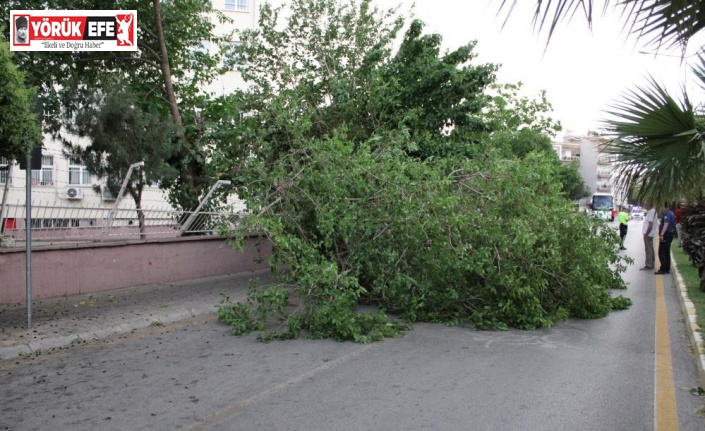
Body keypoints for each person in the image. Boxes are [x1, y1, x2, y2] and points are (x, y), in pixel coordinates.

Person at [655, 202, 676, 275]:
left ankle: (663, 268)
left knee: (662, 252)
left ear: (665, 206)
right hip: (669, 234)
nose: (661, 208)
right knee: (666, 252)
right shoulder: (671, 213)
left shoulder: (667, 214)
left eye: (662, 206)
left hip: (666, 235)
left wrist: (661, 234)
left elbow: (666, 224)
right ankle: (667, 268)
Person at [640, 201, 657, 270]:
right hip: (650, 233)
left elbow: (650, 224)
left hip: (648, 234)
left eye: (646, 203)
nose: (644, 205)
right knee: (650, 248)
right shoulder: (651, 211)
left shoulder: (651, 212)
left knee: (648, 249)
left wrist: (646, 233)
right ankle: (652, 263)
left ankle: (648, 265)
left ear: (650, 204)